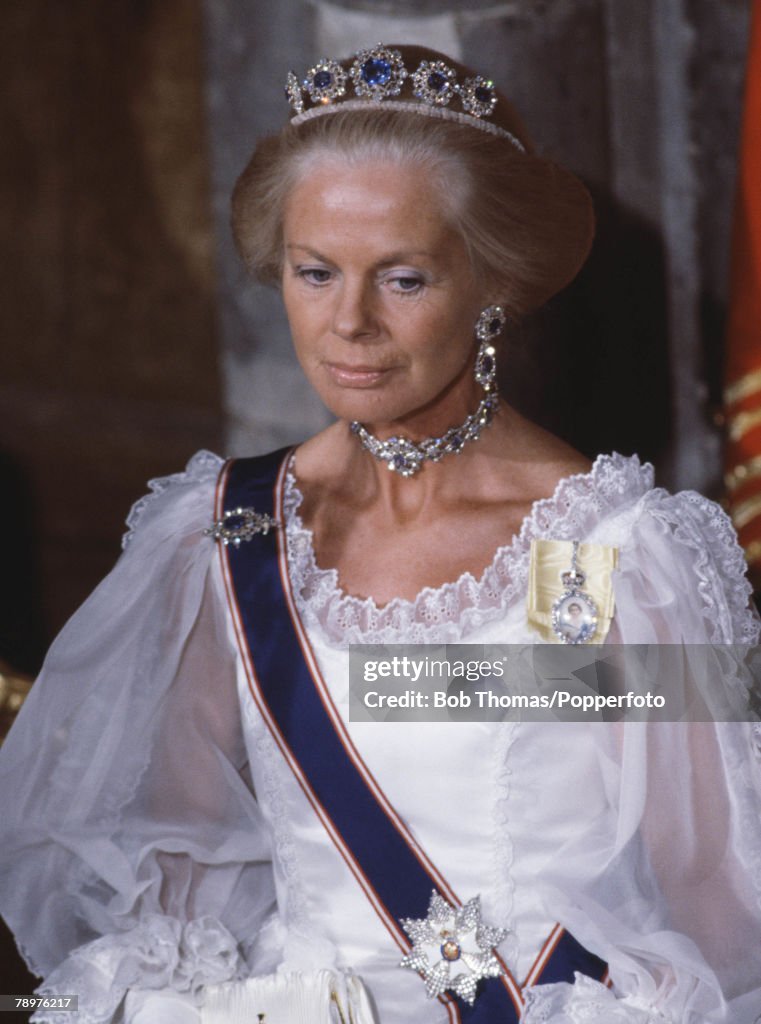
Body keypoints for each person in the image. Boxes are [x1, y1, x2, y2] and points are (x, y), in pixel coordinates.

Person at [1, 42, 761, 1024]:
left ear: (490, 282)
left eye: (401, 279)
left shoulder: (608, 552)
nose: (347, 323)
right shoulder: (228, 536)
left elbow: (716, 899)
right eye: (314, 272)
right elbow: (175, 876)